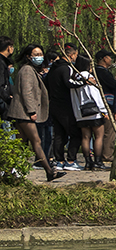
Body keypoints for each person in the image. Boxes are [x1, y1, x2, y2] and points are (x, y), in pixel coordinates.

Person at [7, 44, 63, 181]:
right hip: (24, 113)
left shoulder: (30, 69)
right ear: (28, 56)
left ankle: (8, 171)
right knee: (36, 141)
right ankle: (49, 171)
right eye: (36, 54)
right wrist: (31, 110)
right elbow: (27, 92)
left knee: (20, 144)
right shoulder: (27, 70)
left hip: (21, 112)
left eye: (40, 54)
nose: (39, 57)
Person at [70, 53, 110, 169]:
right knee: (99, 136)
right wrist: (104, 110)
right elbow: (95, 95)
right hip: (94, 112)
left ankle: (88, 162)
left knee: (85, 137)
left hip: (80, 112)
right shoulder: (88, 77)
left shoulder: (74, 77)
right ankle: (98, 161)